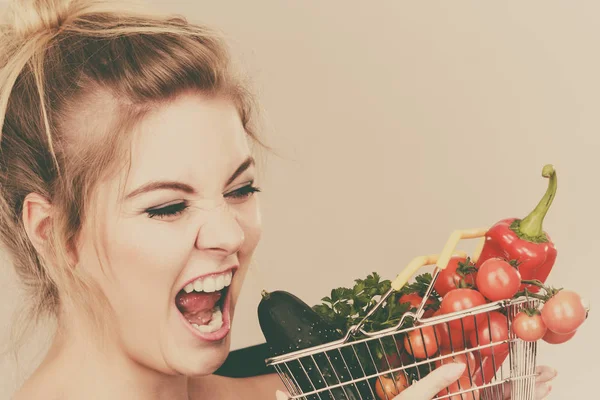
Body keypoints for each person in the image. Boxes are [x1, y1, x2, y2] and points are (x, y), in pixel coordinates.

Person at [0, 0, 556, 399]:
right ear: (54, 234)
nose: (230, 234)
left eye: (240, 189)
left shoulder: (309, 389)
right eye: (167, 206)